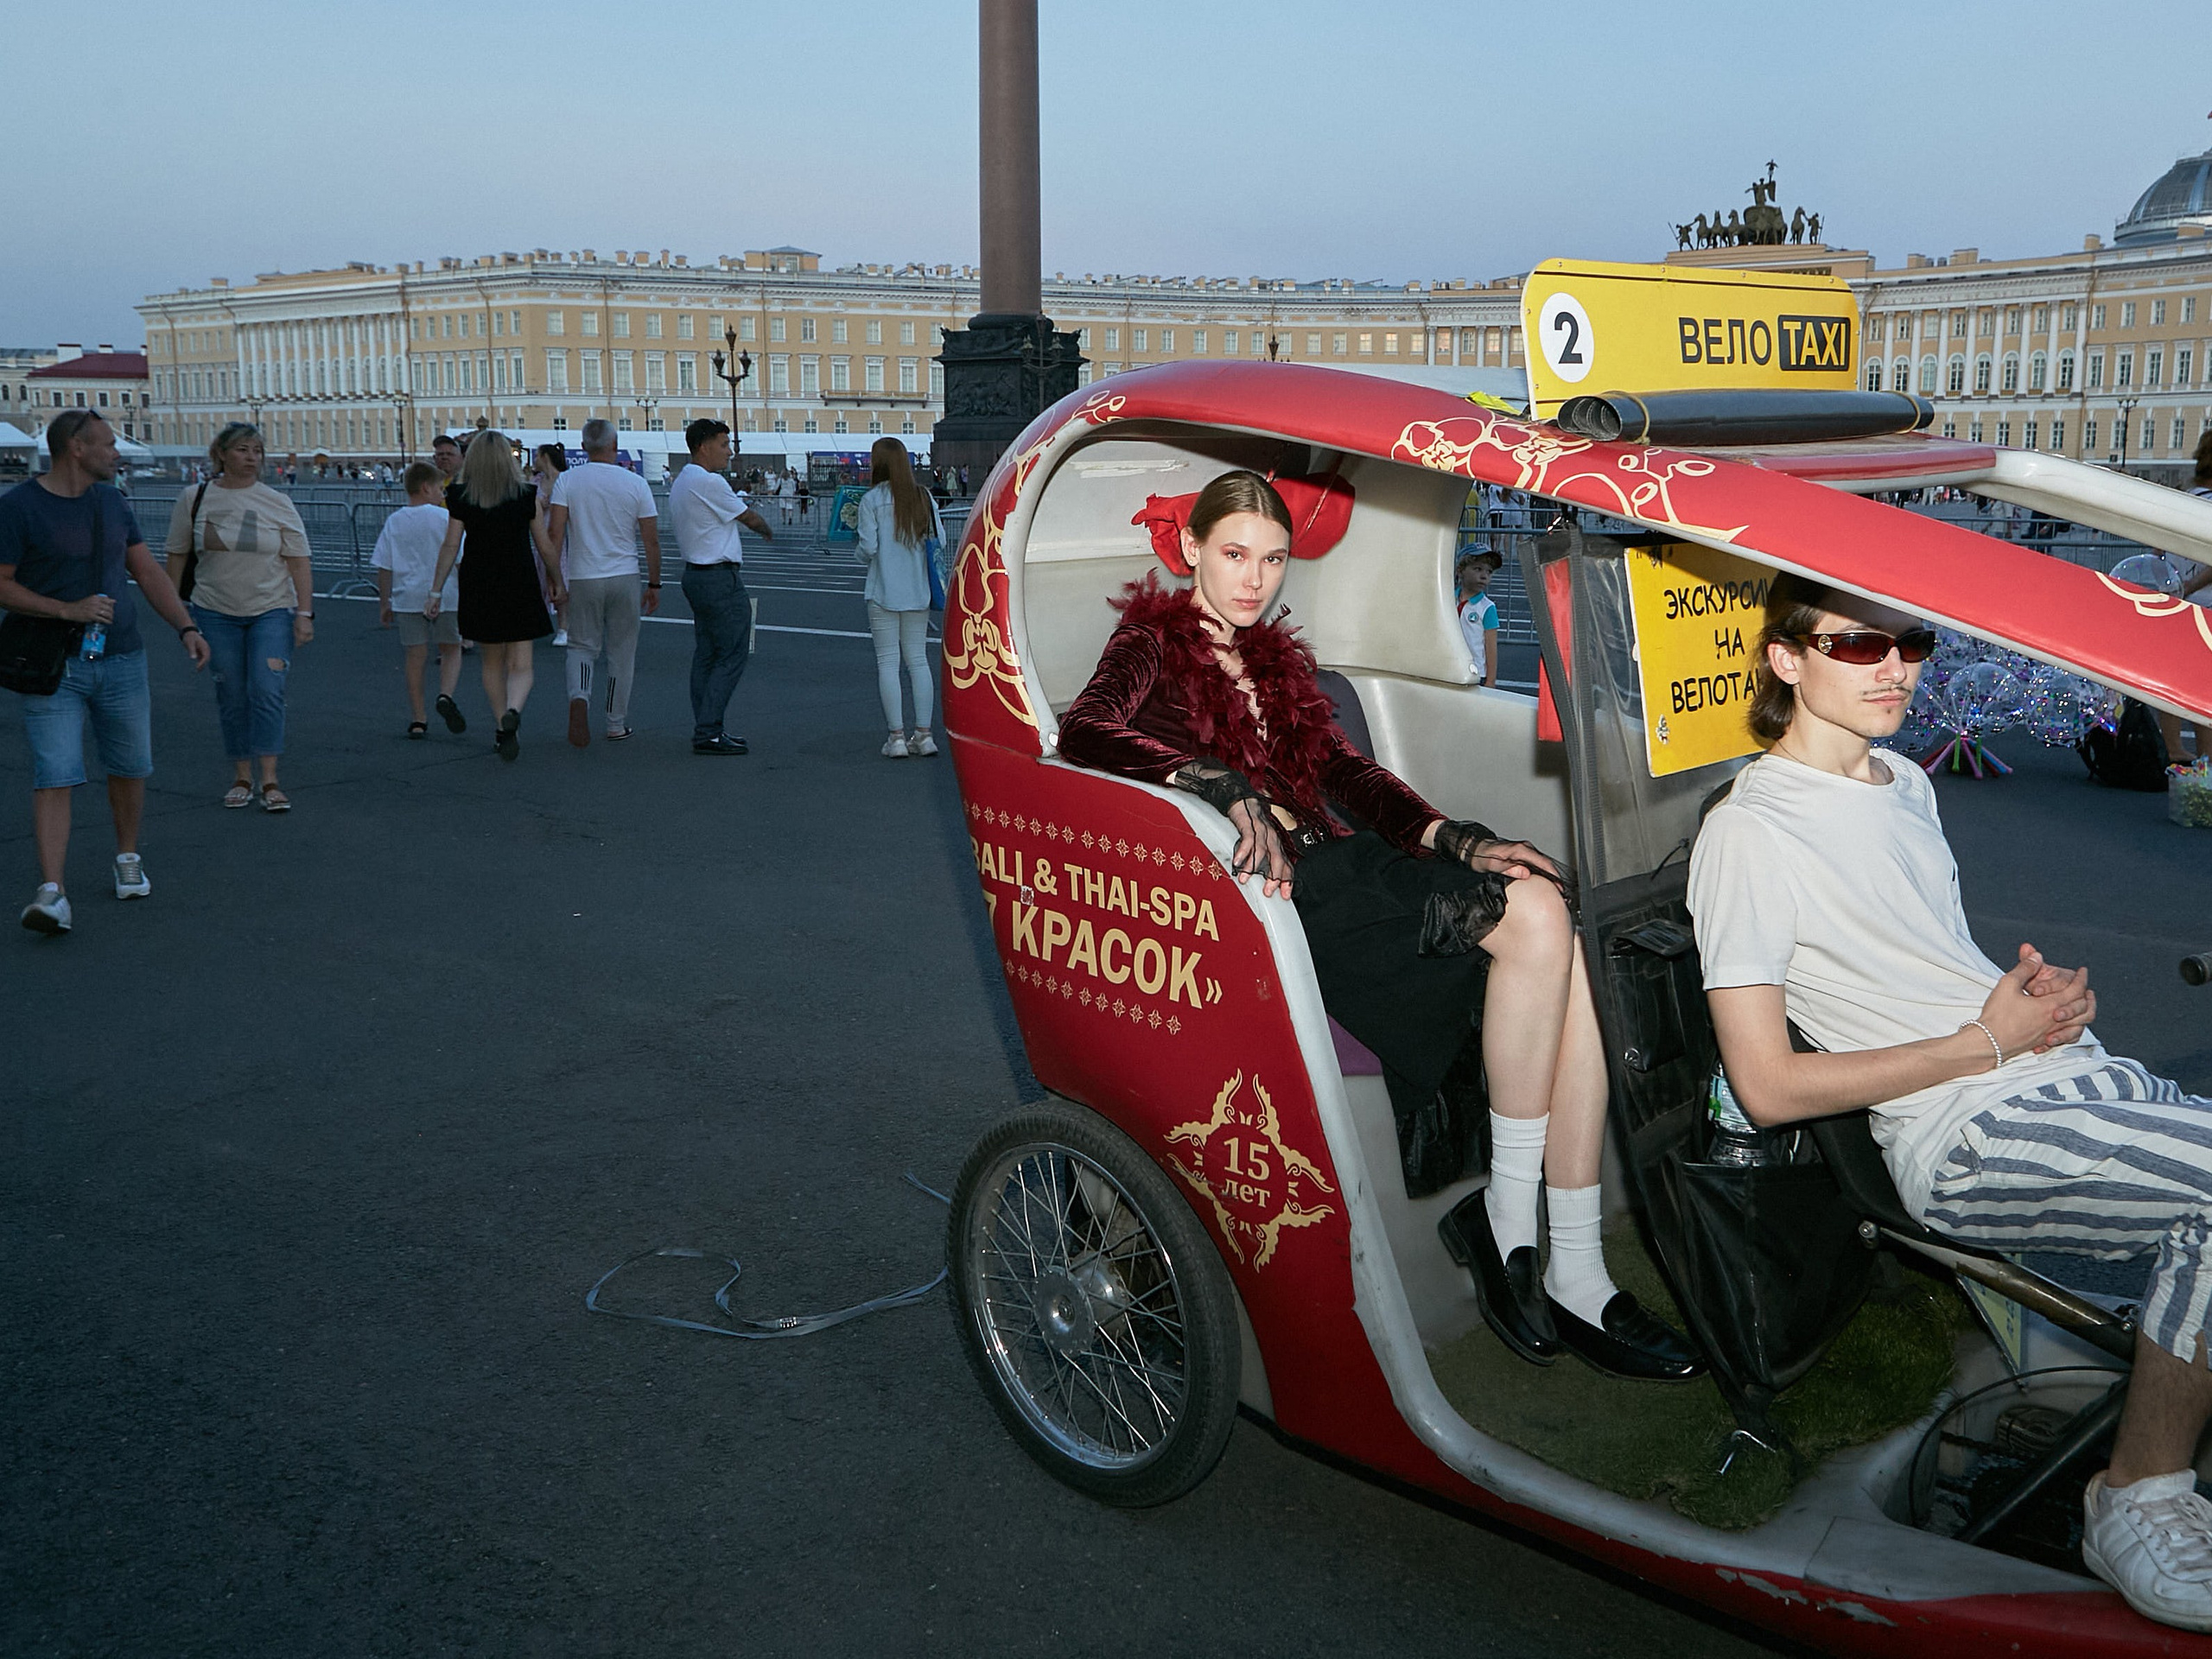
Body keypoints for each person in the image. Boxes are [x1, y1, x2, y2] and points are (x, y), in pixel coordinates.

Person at [1057, 470, 1699, 1381]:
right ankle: (1518, 1238)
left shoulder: (1276, 660)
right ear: (1190, 548)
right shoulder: (1150, 645)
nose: (1254, 580)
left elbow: (1350, 777)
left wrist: (1456, 837)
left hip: (1346, 870)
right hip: (1277, 898)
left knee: (1564, 934)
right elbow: (1085, 731)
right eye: (1234, 555)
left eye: (1272, 560)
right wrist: (1215, 781)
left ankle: (1570, 1266)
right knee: (1537, 921)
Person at [1687, 574, 2212, 1631]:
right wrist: (1984, 1040)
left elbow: (1918, 964)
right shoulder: (1748, 833)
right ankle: (2136, 1494)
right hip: (1968, 1136)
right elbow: (1764, 1083)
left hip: (2055, 1076)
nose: (1895, 666)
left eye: (1912, 640)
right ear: (1784, 661)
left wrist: (2028, 1003)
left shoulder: (1903, 785)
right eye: (1857, 645)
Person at [0, 410, 210, 933]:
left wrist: (186, 626)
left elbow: (145, 570)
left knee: (130, 764)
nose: (118, 453)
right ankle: (53, 892)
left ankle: (127, 856)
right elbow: (1, 584)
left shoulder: (112, 502)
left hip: (120, 656)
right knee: (56, 772)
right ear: (76, 447)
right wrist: (66, 610)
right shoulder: (19, 508)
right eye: (109, 444)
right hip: (53, 665)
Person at [166, 423, 313, 812]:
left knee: (266, 689)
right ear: (223, 453)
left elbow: (299, 560)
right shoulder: (194, 498)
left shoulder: (276, 501)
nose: (252, 458)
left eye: (257, 451)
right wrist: (176, 613)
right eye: (243, 450)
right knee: (231, 694)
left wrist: (304, 613)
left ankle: (270, 779)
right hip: (214, 611)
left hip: (270, 610)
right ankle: (241, 776)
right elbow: (178, 554)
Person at [424, 430, 561, 760]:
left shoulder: (461, 496)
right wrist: (557, 580)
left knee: (492, 662)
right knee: (522, 664)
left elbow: (450, 545)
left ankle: (502, 726)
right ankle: (514, 709)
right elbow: (544, 545)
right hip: (520, 579)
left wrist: (436, 589)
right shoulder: (526, 495)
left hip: (479, 581)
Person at [543, 420, 659, 747]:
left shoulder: (568, 480)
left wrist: (555, 579)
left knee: (581, 646)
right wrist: (655, 583)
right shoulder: (635, 483)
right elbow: (651, 540)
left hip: (583, 574)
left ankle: (580, 697)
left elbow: (555, 534)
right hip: (624, 574)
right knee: (621, 652)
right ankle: (615, 723)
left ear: (583, 446)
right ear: (615, 444)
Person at [667, 418, 773, 755]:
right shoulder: (708, 482)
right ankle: (709, 730)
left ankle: (707, 724)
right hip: (717, 577)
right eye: (724, 444)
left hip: (696, 574)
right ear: (704, 446)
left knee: (707, 654)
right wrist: (769, 531)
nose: (730, 452)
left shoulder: (684, 480)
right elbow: (748, 517)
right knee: (733, 652)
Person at [854, 437, 943, 757]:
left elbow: (868, 548)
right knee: (918, 661)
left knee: (888, 663)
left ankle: (896, 738)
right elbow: (940, 541)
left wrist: (858, 555)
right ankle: (925, 734)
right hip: (918, 590)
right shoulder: (923, 497)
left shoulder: (872, 500)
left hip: (883, 591)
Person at [372, 462, 465, 739]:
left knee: (415, 656)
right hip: (446, 593)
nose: (442, 494)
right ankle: (445, 695)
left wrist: (384, 602)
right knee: (451, 649)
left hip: (407, 596)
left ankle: (418, 718)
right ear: (426, 487)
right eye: (439, 488)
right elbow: (460, 559)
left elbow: (384, 565)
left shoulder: (395, 521)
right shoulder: (446, 518)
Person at [532, 444, 570, 647]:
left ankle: (564, 627)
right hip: (540, 537)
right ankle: (543, 622)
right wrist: (538, 504)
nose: (535, 459)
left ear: (545, 457)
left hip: (561, 538)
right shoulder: (536, 481)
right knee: (541, 581)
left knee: (560, 579)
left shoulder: (565, 479)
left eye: (538, 456)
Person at [1455, 548, 1502, 689]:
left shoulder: (1487, 608)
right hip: (1450, 668)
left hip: (1476, 673)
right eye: (1478, 569)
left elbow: (1491, 647)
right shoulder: (1447, 598)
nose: (1484, 576)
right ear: (1461, 570)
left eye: (1489, 572)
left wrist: (1491, 681)